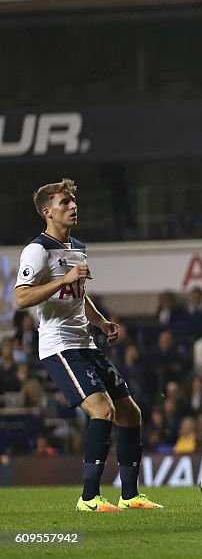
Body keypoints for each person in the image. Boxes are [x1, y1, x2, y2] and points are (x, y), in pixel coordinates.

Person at [14, 178, 162, 512]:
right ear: (47, 212)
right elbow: (21, 297)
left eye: (73, 201)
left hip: (85, 342)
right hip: (59, 346)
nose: (72, 206)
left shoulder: (76, 245)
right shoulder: (37, 250)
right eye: (65, 203)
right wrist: (60, 280)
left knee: (129, 413)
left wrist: (101, 321)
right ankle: (89, 497)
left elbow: (78, 295)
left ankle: (129, 496)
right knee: (102, 410)